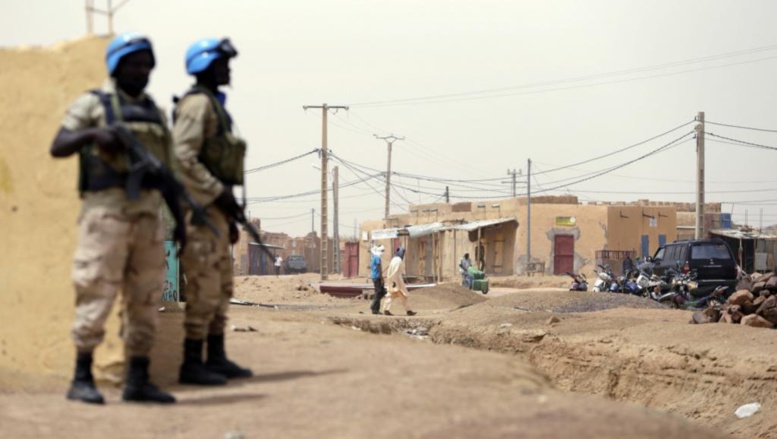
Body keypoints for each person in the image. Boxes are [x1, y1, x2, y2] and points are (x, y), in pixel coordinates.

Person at [49, 32, 175, 404]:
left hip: (149, 218)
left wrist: (180, 222)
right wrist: (94, 134)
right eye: (134, 63)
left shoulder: (156, 112)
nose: (142, 70)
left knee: (146, 298)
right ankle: (81, 376)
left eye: (146, 64)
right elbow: (58, 145)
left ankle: (137, 379)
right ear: (117, 66)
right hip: (106, 216)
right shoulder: (93, 103)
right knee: (95, 293)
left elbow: (167, 172)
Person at [173, 37, 252, 386]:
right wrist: (217, 194)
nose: (228, 69)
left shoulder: (216, 107)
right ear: (204, 66)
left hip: (217, 213)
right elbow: (182, 157)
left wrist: (230, 214)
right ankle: (192, 362)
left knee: (221, 287)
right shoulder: (196, 106)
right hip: (200, 212)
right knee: (204, 287)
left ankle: (215, 356)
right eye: (222, 64)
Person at [384, 247, 417, 316]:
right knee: (403, 295)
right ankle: (408, 311)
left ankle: (386, 309)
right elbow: (396, 272)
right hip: (397, 281)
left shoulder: (393, 259)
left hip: (392, 281)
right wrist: (395, 282)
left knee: (391, 295)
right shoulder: (398, 260)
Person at [369, 244, 387, 315]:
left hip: (375, 276)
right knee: (379, 292)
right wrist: (381, 278)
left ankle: (375, 309)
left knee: (381, 292)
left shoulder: (373, 257)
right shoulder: (377, 258)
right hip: (377, 277)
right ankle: (373, 306)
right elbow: (379, 268)